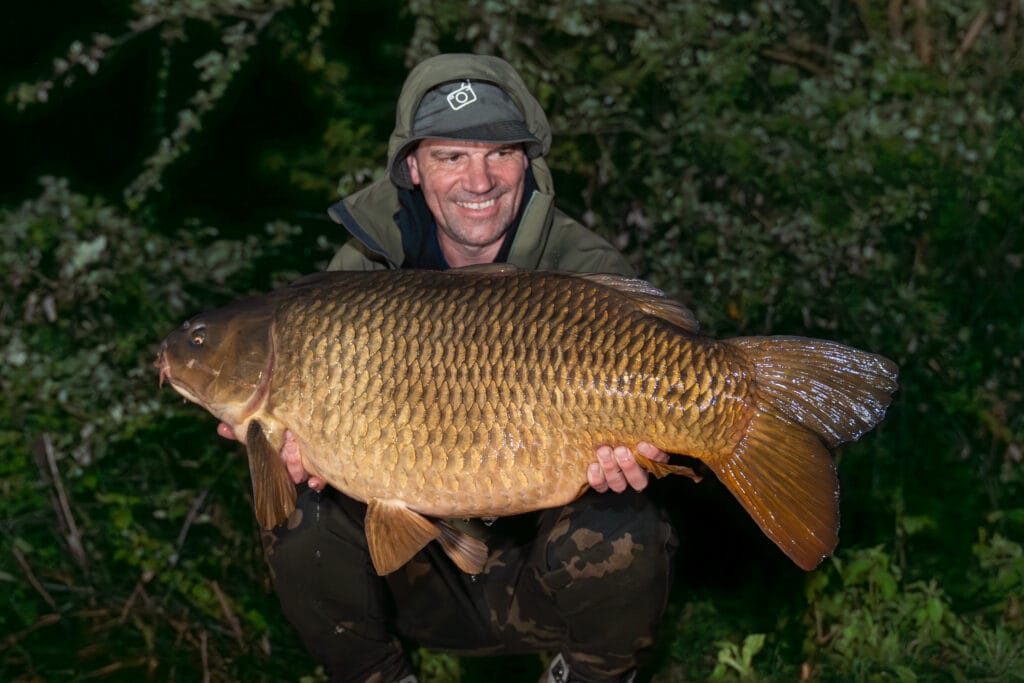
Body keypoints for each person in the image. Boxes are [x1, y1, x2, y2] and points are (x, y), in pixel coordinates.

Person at [221, 53, 677, 683]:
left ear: (529, 162)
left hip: (544, 569)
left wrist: (634, 460)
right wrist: (299, 456)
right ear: (413, 168)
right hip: (416, 579)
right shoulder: (354, 276)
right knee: (298, 517)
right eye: (451, 156)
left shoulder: (583, 266)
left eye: (500, 153)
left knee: (629, 520)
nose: (480, 180)